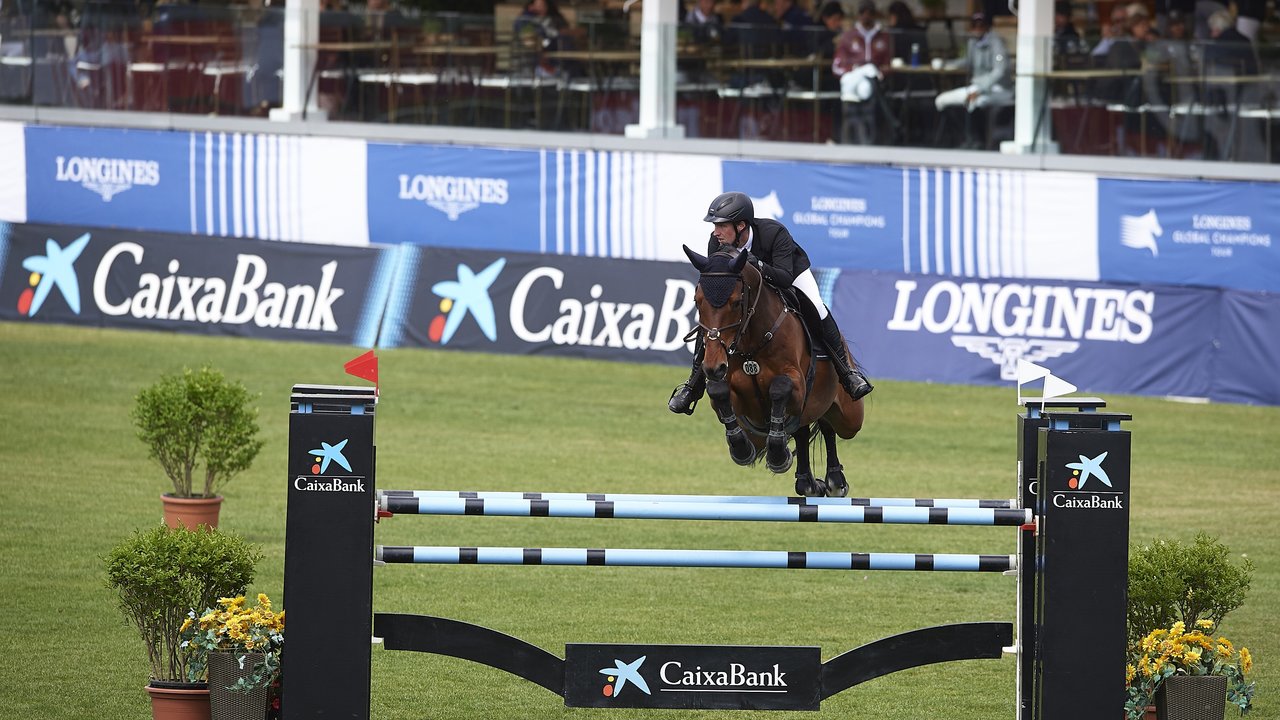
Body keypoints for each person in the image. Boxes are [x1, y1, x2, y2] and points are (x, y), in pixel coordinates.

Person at [669, 192, 874, 415]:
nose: (715, 232)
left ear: (740, 226)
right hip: (750, 286)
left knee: (816, 306)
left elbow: (785, 278)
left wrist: (756, 263)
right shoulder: (716, 242)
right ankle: (692, 386)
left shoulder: (774, 233)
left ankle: (847, 374)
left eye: (721, 226)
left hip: (790, 274)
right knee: (714, 317)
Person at [934, 12, 1012, 149]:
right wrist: (946, 64)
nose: (977, 28)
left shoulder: (996, 44)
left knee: (975, 102)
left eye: (980, 25)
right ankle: (963, 136)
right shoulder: (972, 43)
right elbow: (967, 62)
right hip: (975, 86)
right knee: (941, 100)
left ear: (987, 26)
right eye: (974, 25)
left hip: (996, 88)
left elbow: (999, 71)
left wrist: (981, 89)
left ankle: (978, 140)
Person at [832, 0, 894, 145]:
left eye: (870, 12)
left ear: (874, 14)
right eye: (863, 12)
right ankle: (853, 138)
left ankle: (864, 138)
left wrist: (879, 73)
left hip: (874, 83)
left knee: (866, 82)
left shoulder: (883, 36)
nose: (866, 16)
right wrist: (854, 70)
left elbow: (888, 65)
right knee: (854, 82)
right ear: (858, 14)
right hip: (852, 77)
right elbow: (837, 65)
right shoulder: (848, 36)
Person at [885, 0, 928, 66]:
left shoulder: (895, 33)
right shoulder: (918, 30)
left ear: (895, 16)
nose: (889, 19)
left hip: (903, 68)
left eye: (890, 16)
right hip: (917, 67)